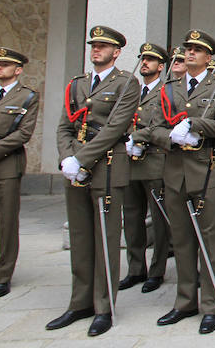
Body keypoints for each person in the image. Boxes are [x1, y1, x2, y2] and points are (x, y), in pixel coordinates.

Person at [132, 29, 215, 334]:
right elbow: (153, 128)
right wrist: (170, 137)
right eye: (187, 48)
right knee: (182, 239)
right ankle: (185, 300)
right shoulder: (169, 88)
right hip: (175, 172)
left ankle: (211, 304)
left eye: (197, 49)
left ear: (209, 57)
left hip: (207, 171)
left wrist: (196, 125)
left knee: (210, 240)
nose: (189, 53)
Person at [48, 26, 140, 336]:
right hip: (75, 168)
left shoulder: (127, 82)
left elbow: (115, 128)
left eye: (103, 46)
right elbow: (64, 127)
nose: (96, 50)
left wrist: (83, 159)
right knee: (80, 236)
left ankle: (103, 305)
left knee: (106, 239)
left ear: (116, 52)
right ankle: (80, 302)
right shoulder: (78, 84)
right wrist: (67, 159)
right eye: (94, 45)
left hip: (107, 167)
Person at [120, 42, 171, 294]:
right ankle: (135, 268)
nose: (145, 63)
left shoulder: (166, 91)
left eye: (150, 60)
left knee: (159, 219)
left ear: (160, 66)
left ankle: (157, 268)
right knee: (132, 217)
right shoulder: (132, 91)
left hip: (154, 160)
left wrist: (139, 138)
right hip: (130, 162)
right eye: (143, 59)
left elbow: (164, 125)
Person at [0, 47, 39, 298]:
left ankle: (3, 274)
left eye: (5, 65)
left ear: (17, 70)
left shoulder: (27, 97)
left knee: (7, 221)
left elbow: (23, 133)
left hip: (7, 164)